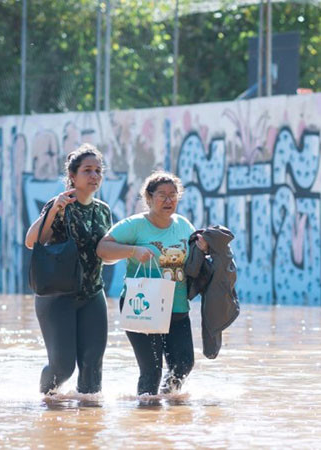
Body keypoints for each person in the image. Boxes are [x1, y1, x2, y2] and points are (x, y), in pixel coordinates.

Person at [97, 170, 208, 396]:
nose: (168, 200)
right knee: (151, 372)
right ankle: (146, 421)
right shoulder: (135, 225)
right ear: (148, 198)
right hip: (142, 304)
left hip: (177, 306)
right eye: (162, 195)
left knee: (184, 364)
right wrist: (133, 251)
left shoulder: (184, 224)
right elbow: (102, 249)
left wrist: (203, 249)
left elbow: (193, 258)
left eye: (173, 195)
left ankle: (169, 410)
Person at [24, 143, 112, 395]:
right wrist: (53, 211)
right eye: (87, 170)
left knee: (92, 368)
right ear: (72, 176)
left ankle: (87, 424)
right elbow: (32, 241)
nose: (94, 176)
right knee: (63, 368)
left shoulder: (103, 210)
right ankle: (44, 400)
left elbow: (105, 251)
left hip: (93, 294)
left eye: (98, 170)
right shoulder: (59, 205)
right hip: (57, 296)